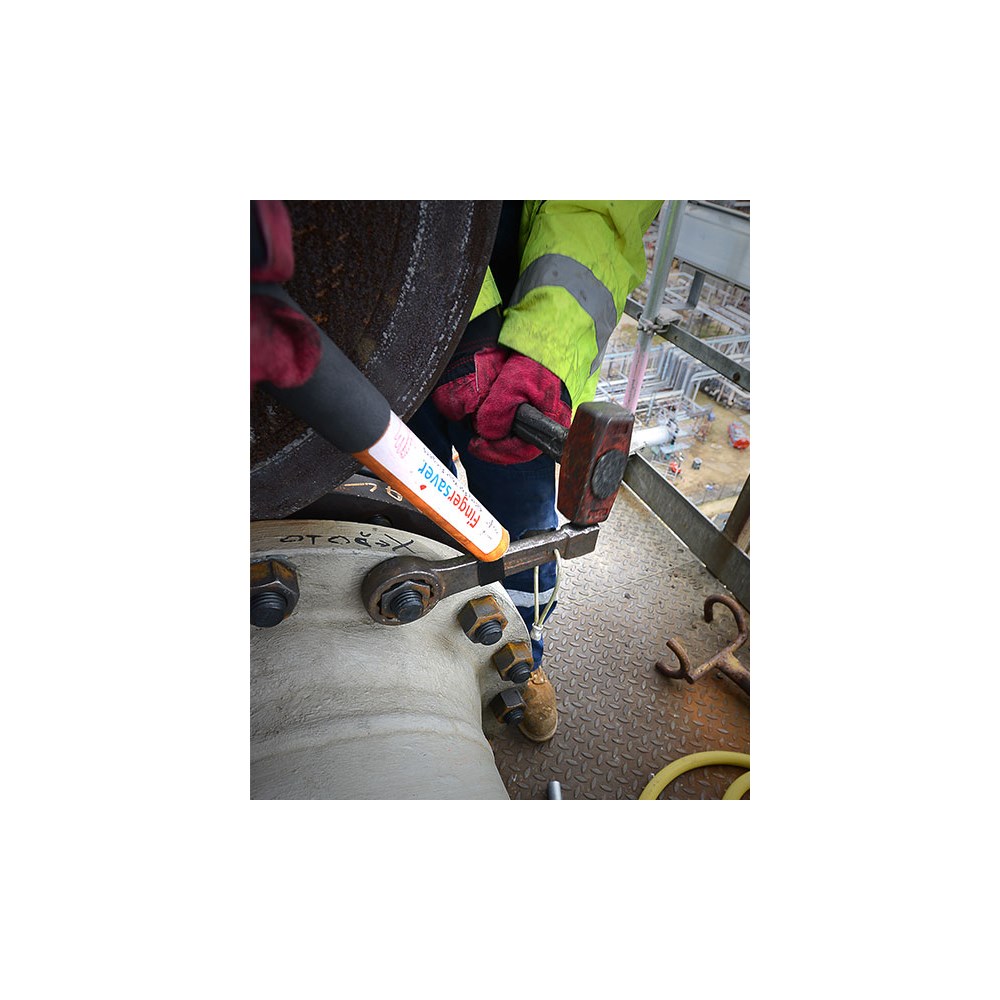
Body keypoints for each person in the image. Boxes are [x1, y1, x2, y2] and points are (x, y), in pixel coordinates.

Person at [407, 200, 662, 742]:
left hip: (517, 366)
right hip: (392, 334)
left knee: (525, 540)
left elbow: (603, 207)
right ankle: (421, 654)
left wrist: (547, 352)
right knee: (411, 518)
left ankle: (520, 658)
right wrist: (466, 325)